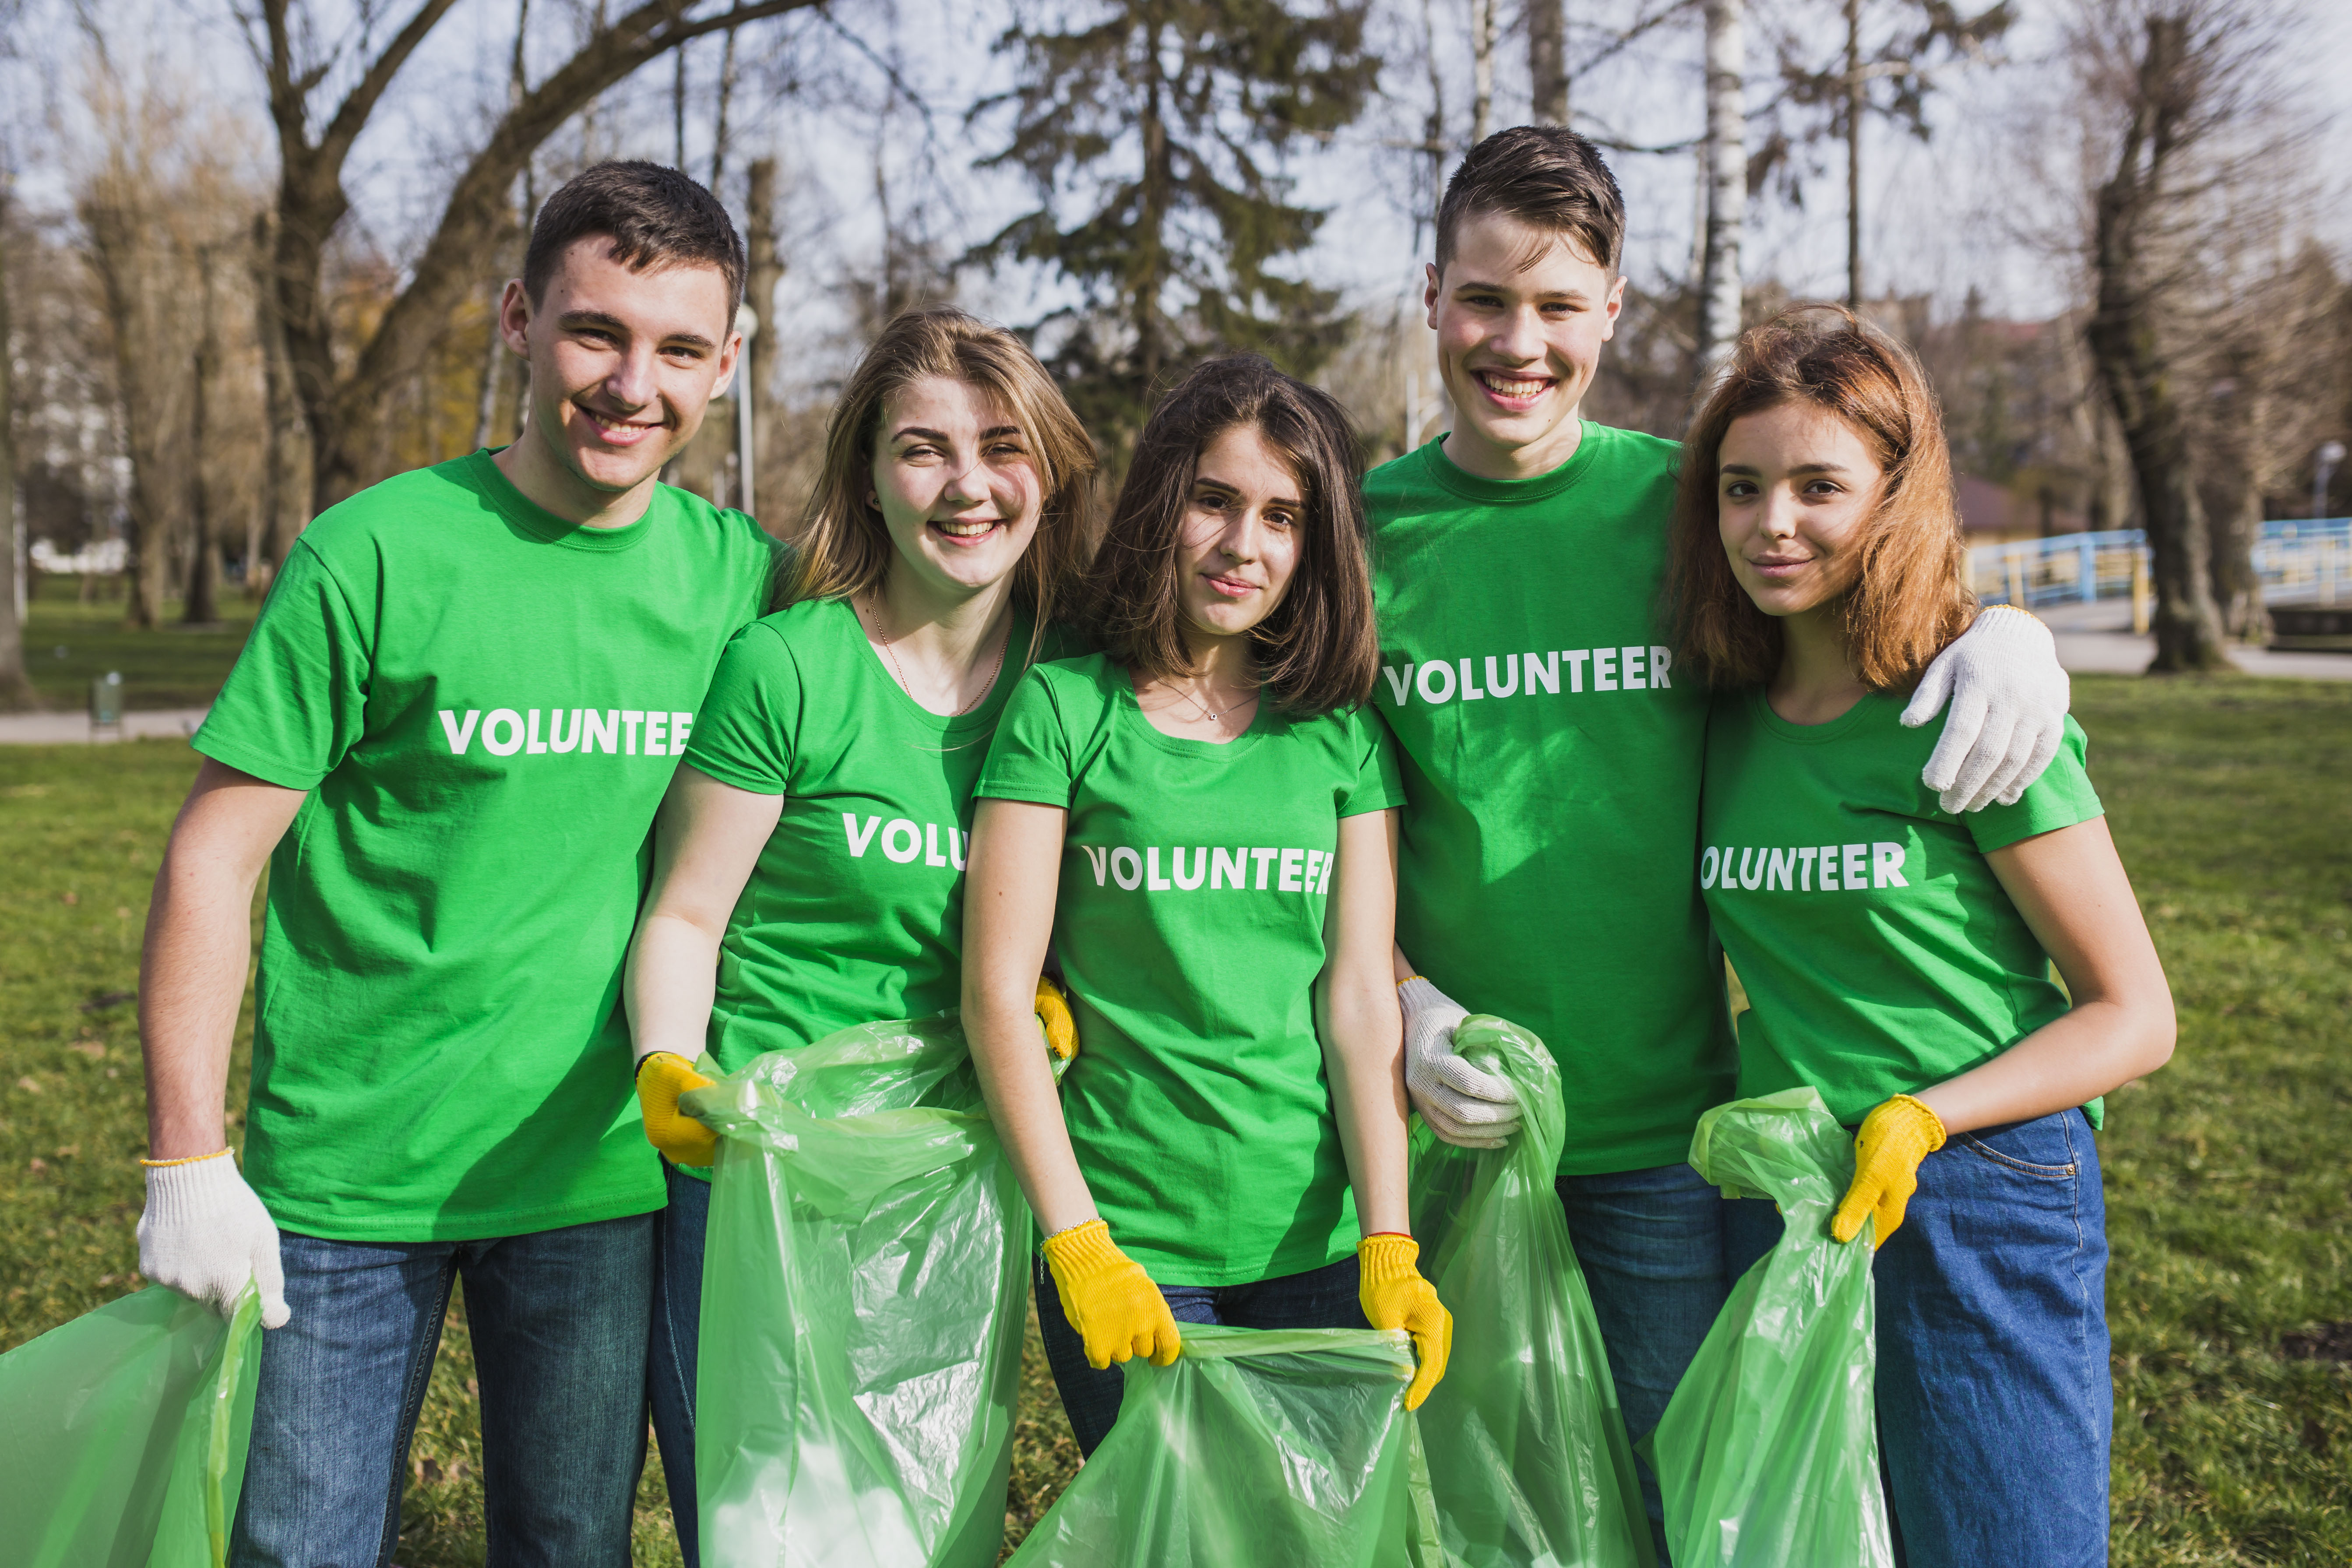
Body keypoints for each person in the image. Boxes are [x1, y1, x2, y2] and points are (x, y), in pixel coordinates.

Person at [1363, 123, 2078, 1551]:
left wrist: (2010, 632)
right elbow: (1277, 792)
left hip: (1667, 1144)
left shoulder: (1685, 505)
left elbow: (1859, 581)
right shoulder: (1358, 534)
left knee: (1694, 1511)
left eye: (1560, 305)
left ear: (1612, 311)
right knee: (1487, 1521)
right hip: (1438, 1129)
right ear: (1431, 294)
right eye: (1486, 299)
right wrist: (1405, 999)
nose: (1519, 341)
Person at [132, 162, 777, 1566]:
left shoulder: (749, 584)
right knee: (299, 1548)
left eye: (676, 349)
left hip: (597, 1179)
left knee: (568, 1545)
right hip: (345, 1185)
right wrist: (186, 1152)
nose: (629, 383)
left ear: (727, 364)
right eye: (594, 331)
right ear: (517, 321)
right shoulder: (373, 553)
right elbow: (212, 855)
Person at [1671, 307, 2173, 1566]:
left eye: (1817, 486)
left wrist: (1929, 1113)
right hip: (1788, 1196)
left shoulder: (1974, 709)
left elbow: (2132, 1012)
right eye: (1742, 488)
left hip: (1976, 1187)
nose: (1771, 522)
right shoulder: (1719, 722)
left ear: (1896, 494)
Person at [622, 306, 1095, 1564]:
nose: (967, 485)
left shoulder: (1072, 682)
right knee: (775, 1513)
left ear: (1046, 468)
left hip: (953, 1166)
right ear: (869, 481)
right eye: (922, 450)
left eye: (1002, 447)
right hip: (767, 1166)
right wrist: (669, 1062)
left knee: (927, 1504)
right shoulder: (788, 666)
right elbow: (683, 910)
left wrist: (1053, 987)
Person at [960, 355, 1451, 1457]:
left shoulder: (1338, 736)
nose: (1245, 545)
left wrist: (1389, 1238)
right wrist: (1077, 1241)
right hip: (1131, 1245)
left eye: (1283, 517)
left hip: (1316, 1246)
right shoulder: (1061, 709)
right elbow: (997, 994)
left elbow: (1362, 998)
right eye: (1215, 502)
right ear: (1161, 506)